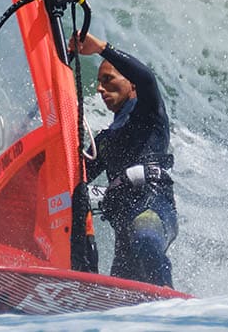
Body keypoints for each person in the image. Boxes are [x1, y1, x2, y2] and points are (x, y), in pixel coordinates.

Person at [74, 31, 177, 288]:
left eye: (108, 80)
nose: (100, 88)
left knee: (144, 239)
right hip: (124, 224)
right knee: (120, 291)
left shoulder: (147, 113)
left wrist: (101, 48)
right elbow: (76, 174)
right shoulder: (106, 139)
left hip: (153, 206)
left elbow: (147, 78)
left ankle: (172, 304)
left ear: (130, 85)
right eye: (99, 82)